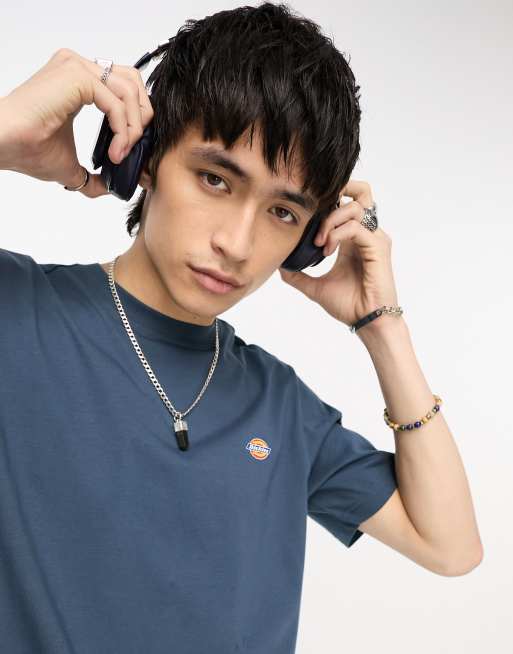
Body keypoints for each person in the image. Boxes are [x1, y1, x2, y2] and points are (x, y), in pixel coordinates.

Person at [0, 3, 483, 653]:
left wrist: (381, 325)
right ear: (142, 156)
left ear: (311, 240)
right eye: (214, 179)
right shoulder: (18, 307)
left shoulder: (279, 404)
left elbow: (449, 546)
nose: (237, 243)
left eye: (283, 213)